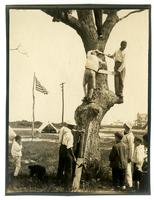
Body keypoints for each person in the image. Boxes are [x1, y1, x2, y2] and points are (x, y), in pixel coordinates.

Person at [57, 125, 76, 191]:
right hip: (67, 151)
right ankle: (67, 185)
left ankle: (58, 181)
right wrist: (73, 156)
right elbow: (70, 147)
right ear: (72, 127)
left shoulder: (63, 130)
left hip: (61, 148)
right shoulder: (70, 135)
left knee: (61, 166)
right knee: (68, 168)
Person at [122, 122, 134, 190]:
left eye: (127, 127)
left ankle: (129, 184)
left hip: (127, 154)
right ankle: (123, 183)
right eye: (125, 126)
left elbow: (131, 147)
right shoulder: (123, 133)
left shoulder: (131, 136)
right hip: (122, 152)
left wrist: (130, 156)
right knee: (122, 168)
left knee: (128, 169)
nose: (126, 128)